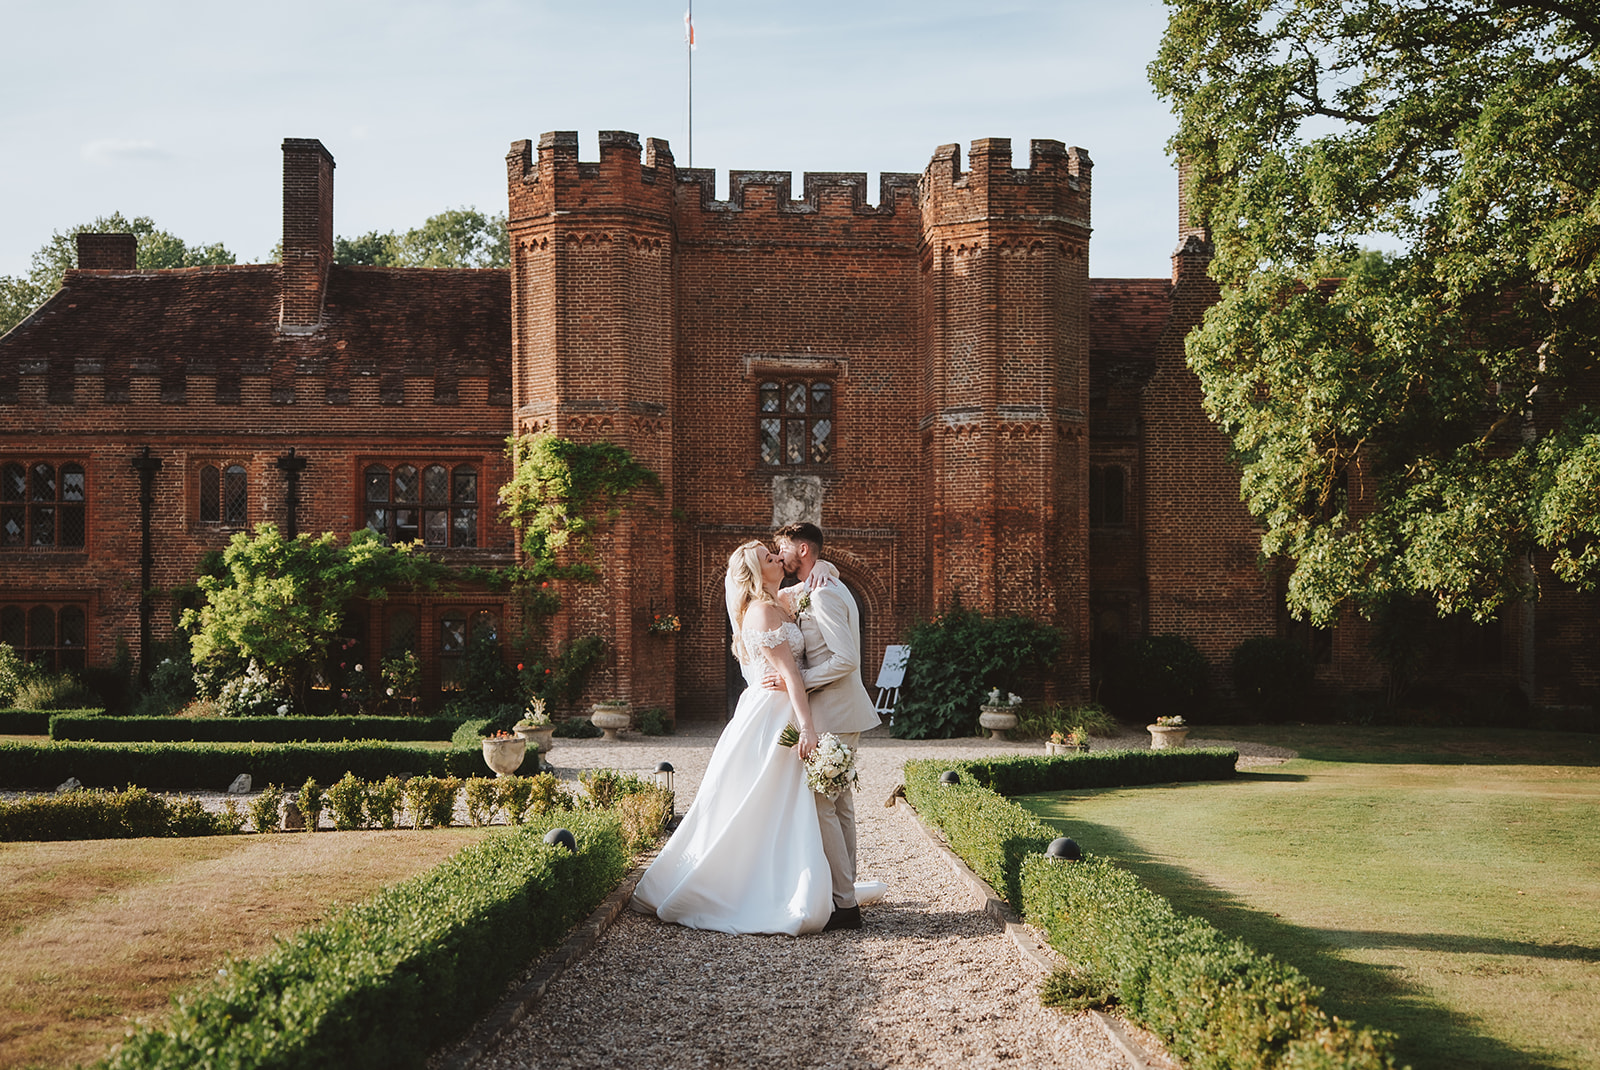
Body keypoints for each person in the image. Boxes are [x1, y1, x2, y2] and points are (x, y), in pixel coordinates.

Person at [629, 540, 834, 935]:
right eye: (769, 558)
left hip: (780, 708)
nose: (778, 558)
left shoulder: (783, 602)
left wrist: (825, 566)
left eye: (775, 554)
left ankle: (777, 878)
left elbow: (819, 581)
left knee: (777, 802)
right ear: (757, 574)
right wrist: (807, 728)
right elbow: (791, 675)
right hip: (770, 717)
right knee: (757, 799)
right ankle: (743, 886)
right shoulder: (761, 612)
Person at [772, 521, 882, 931]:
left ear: (802, 549)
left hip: (835, 711)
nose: (778, 554)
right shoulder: (816, 585)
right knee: (840, 806)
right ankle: (845, 895)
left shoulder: (825, 594)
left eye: (782, 547)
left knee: (824, 806)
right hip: (838, 711)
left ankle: (844, 905)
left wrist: (795, 681)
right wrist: (828, 566)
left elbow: (846, 660)